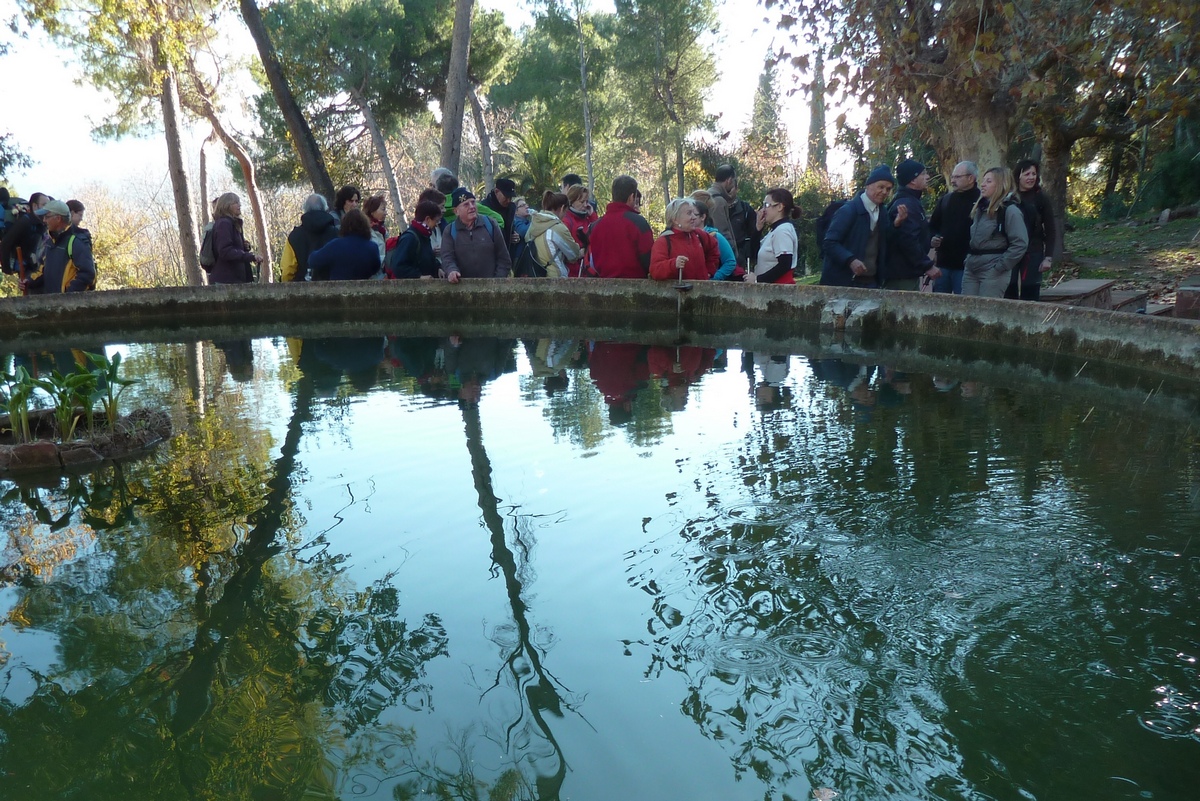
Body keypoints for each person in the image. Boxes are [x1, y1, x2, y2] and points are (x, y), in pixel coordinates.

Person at [821, 165, 894, 287]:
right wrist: (850, 260)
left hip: (871, 282)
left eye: (888, 189)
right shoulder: (848, 211)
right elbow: (829, 243)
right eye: (881, 187)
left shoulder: (883, 213)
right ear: (868, 185)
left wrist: (896, 224)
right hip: (843, 283)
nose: (884, 192)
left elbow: (885, 243)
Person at [962, 167, 1028, 298]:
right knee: (966, 307)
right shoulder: (980, 208)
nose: (983, 184)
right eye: (983, 180)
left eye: (988, 181)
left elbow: (1020, 243)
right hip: (972, 267)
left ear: (1001, 185)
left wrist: (1001, 266)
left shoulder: (1010, 211)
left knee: (986, 309)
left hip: (993, 269)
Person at [884, 159, 941, 291]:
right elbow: (907, 239)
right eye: (923, 174)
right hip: (902, 276)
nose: (927, 177)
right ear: (913, 180)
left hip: (905, 273)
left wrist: (929, 240)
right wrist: (927, 265)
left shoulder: (909, 201)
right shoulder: (907, 204)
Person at [929, 161, 981, 294]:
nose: (952, 180)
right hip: (943, 266)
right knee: (938, 304)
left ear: (971, 178)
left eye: (957, 177)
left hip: (968, 267)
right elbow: (932, 227)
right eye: (952, 177)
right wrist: (933, 238)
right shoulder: (946, 200)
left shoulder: (982, 202)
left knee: (964, 304)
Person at [588, 175, 654, 279]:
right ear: (632, 197)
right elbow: (648, 257)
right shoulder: (638, 222)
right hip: (635, 282)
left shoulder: (596, 225)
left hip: (604, 282)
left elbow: (592, 259)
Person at [1008, 159, 1056, 301]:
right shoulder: (1009, 197)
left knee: (1030, 292)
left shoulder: (1041, 197)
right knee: (1008, 290)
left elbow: (1050, 229)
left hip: (1033, 251)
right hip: (1010, 251)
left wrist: (1048, 257)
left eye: (1033, 174)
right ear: (1018, 176)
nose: (1031, 178)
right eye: (1027, 174)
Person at [23, 200, 95, 293]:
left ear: (58, 218)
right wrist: (28, 282)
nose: (44, 220)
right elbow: (43, 271)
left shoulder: (77, 241)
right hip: (53, 301)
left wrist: (68, 295)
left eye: (47, 217)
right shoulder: (50, 241)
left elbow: (88, 274)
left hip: (70, 302)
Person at [441, 187, 511, 282]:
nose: (472, 207)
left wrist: (497, 280)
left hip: (492, 287)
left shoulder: (490, 224)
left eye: (473, 202)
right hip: (462, 287)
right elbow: (447, 258)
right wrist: (452, 271)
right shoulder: (449, 231)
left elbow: (504, 258)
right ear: (456, 211)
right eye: (466, 204)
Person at [650, 198, 719, 282]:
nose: (694, 217)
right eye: (689, 213)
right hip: (677, 290)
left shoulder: (698, 234)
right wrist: (673, 264)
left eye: (694, 213)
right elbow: (655, 270)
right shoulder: (663, 241)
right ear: (675, 219)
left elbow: (714, 248)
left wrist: (708, 272)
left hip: (702, 288)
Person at [308, 208, 382, 281]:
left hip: (338, 287)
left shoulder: (336, 245)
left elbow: (313, 261)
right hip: (364, 287)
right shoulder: (372, 248)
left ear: (344, 225)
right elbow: (376, 268)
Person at [280, 193, 339, 282]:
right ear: (325, 208)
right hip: (332, 286)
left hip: (301, 287)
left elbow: (287, 269)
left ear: (305, 209)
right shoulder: (336, 233)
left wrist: (287, 285)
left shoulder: (295, 236)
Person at [749, 188, 802, 284]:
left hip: (779, 288)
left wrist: (757, 279)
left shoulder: (783, 231)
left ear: (780, 207)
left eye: (767, 205)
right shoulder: (775, 230)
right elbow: (753, 253)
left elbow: (785, 264)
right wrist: (758, 229)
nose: (763, 210)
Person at [707, 165, 756, 269]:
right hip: (721, 259)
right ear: (729, 180)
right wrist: (733, 256)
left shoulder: (707, 197)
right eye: (734, 180)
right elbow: (722, 231)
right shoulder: (718, 201)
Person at [207, 192, 261, 284]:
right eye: (236, 202)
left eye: (239, 202)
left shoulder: (232, 223)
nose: (239, 205)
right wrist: (249, 257)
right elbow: (225, 251)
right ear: (226, 206)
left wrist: (244, 247)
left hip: (234, 279)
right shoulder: (224, 224)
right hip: (226, 280)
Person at [526, 191, 581, 278]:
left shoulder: (534, 224)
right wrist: (580, 251)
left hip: (536, 275)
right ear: (562, 208)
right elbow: (573, 255)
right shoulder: (558, 228)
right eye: (566, 211)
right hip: (556, 276)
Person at [387, 199, 443, 279]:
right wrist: (419, 276)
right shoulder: (410, 238)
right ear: (428, 219)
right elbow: (398, 266)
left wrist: (437, 268)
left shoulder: (424, 235)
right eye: (436, 221)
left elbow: (427, 259)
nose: (437, 225)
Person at [689, 191, 738, 280]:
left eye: (694, 214)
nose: (690, 217)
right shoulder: (686, 236)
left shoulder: (715, 236)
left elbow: (730, 262)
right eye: (688, 213)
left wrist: (714, 278)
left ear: (703, 216)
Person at [1, 191, 48, 277]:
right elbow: (6, 242)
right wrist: (6, 268)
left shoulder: (42, 225)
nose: (47, 208)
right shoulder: (25, 221)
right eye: (44, 205)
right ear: (34, 206)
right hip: (26, 269)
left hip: (36, 269)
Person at [480, 177, 518, 250]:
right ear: (496, 191)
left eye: (511, 197)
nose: (508, 200)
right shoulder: (484, 208)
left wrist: (514, 236)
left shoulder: (511, 208)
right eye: (506, 197)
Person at [364, 195, 388, 261]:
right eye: (383, 209)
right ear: (372, 212)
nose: (386, 213)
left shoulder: (383, 230)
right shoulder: (365, 231)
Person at [512, 196, 531, 265]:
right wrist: (536, 220)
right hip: (520, 260)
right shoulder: (515, 221)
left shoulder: (527, 221)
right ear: (516, 211)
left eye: (526, 204)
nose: (527, 207)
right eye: (523, 205)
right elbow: (523, 232)